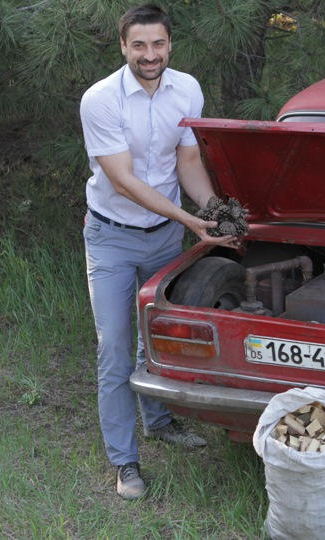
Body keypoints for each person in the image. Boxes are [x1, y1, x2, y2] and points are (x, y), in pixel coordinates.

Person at [79, 4, 238, 500]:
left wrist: (214, 212)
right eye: (139, 45)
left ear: (170, 44)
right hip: (111, 237)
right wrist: (190, 221)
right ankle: (125, 462)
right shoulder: (100, 100)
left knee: (159, 335)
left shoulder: (186, 89)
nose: (150, 55)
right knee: (114, 349)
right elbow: (124, 181)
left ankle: (160, 421)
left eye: (158, 44)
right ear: (123, 47)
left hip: (165, 236)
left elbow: (187, 162)